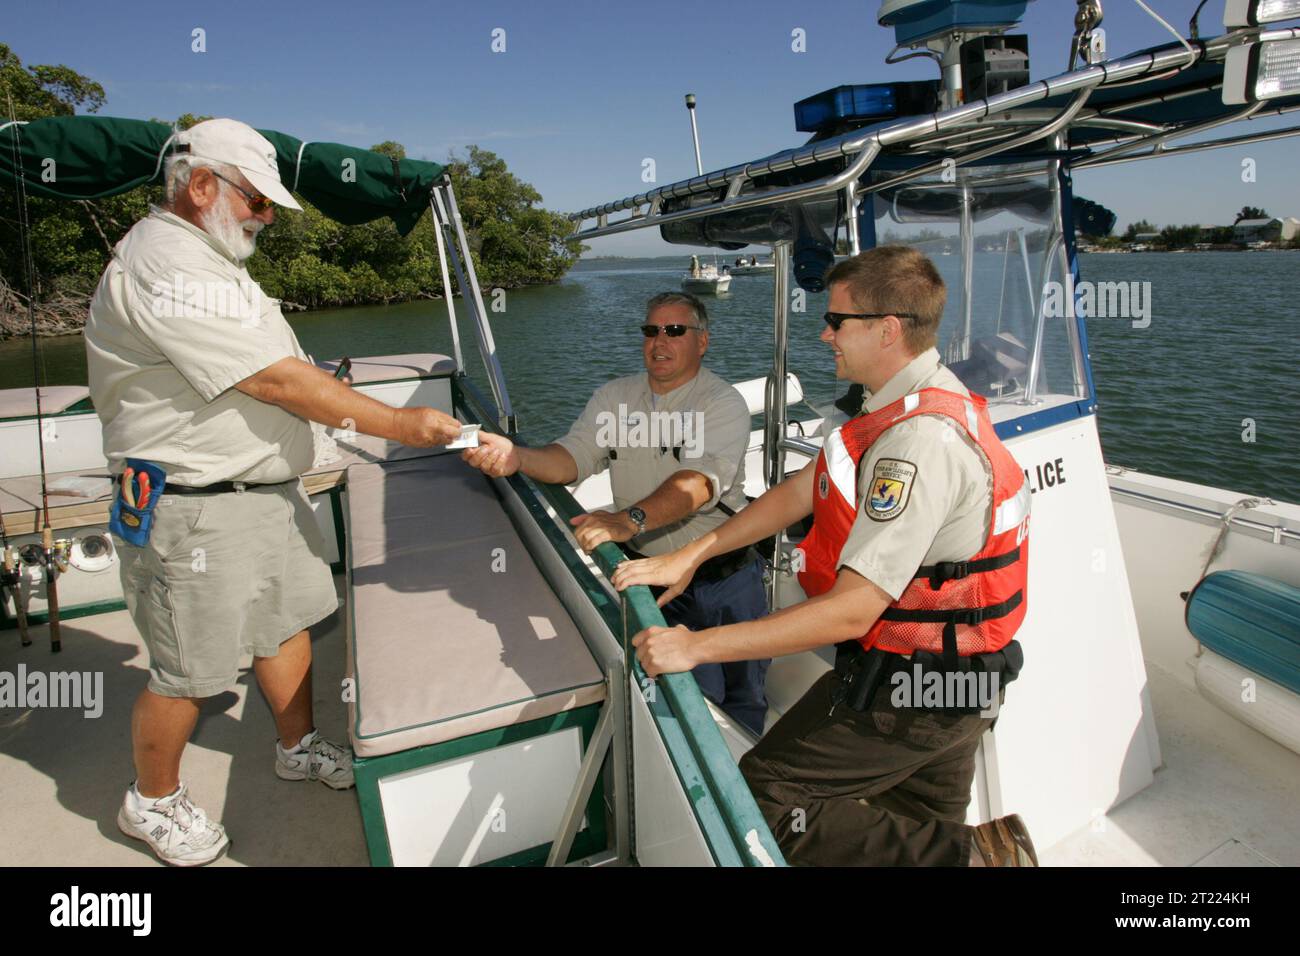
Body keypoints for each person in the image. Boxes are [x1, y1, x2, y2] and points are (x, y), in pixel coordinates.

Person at [84, 118, 462, 866]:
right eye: (256, 202)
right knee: (188, 670)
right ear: (201, 187)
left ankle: (297, 745)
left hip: (262, 493)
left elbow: (276, 365)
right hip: (194, 509)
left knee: (288, 624)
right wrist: (399, 422)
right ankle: (150, 803)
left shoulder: (212, 260)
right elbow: (273, 380)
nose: (264, 218)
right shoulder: (164, 263)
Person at [612, 246, 1037, 866]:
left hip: (911, 692)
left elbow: (850, 613)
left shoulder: (917, 445)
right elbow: (805, 487)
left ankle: (984, 862)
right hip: (960, 685)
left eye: (838, 321)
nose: (824, 332)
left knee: (759, 801)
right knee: (911, 826)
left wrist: (694, 646)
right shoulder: (909, 399)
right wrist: (694, 553)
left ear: (888, 329)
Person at [461, 291, 771, 733]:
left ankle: (746, 772)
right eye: (651, 330)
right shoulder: (614, 398)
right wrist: (518, 457)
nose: (659, 340)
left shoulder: (721, 404)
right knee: (689, 697)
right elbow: (572, 457)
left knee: (745, 691)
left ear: (702, 342)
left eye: (675, 331)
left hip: (724, 574)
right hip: (652, 578)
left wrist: (630, 520)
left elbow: (699, 484)